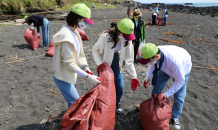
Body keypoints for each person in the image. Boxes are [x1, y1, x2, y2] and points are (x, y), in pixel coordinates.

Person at [52, 4, 101, 108]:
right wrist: (88, 77)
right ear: (77, 18)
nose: (86, 24)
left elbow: (80, 55)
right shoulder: (66, 37)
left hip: (71, 75)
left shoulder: (75, 33)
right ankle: (71, 123)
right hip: (63, 77)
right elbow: (69, 63)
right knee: (76, 104)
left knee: (74, 103)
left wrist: (86, 68)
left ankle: (72, 121)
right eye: (85, 21)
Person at [92, 18, 140, 114]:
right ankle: (102, 104)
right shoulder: (106, 36)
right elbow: (95, 50)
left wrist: (133, 76)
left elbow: (129, 60)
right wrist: (100, 65)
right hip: (104, 61)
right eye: (125, 35)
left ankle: (116, 104)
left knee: (120, 85)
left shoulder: (127, 40)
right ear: (118, 31)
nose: (127, 38)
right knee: (104, 85)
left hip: (116, 59)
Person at [139, 43, 192, 130]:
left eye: (148, 60)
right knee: (156, 87)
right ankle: (153, 108)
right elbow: (151, 64)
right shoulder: (154, 52)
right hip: (164, 67)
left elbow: (180, 81)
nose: (148, 62)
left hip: (182, 68)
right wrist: (147, 76)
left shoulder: (175, 63)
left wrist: (166, 94)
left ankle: (175, 117)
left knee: (179, 95)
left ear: (156, 56)